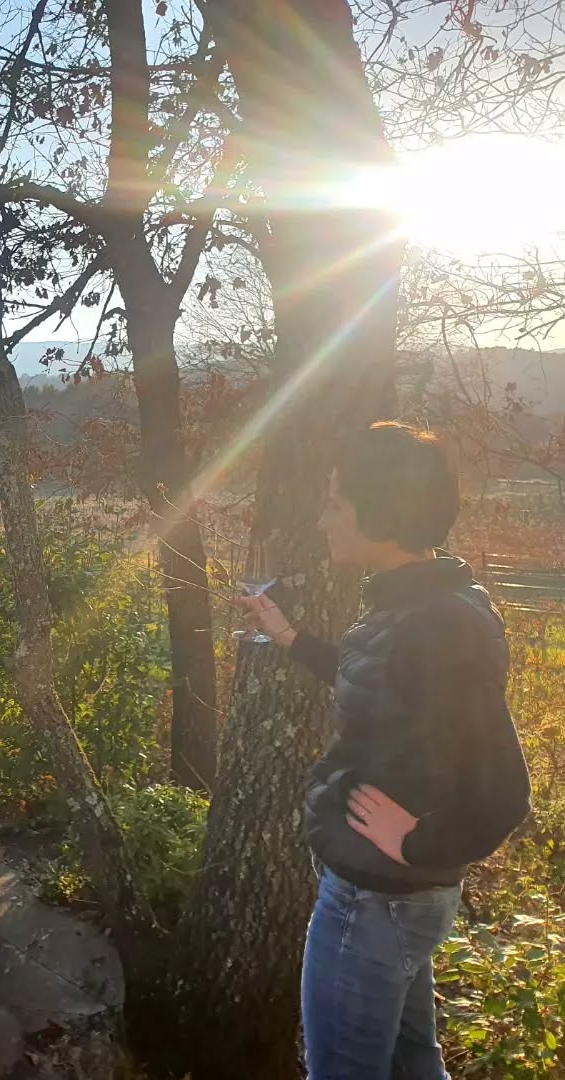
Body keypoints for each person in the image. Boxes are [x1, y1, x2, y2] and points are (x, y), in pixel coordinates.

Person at [240, 422, 530, 1080]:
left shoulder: (440, 623)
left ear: (382, 512)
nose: (322, 521)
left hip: (377, 899)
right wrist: (288, 637)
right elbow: (379, 681)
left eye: (336, 504)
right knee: (411, 1067)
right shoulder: (419, 606)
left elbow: (504, 791)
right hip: (392, 896)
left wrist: (420, 845)